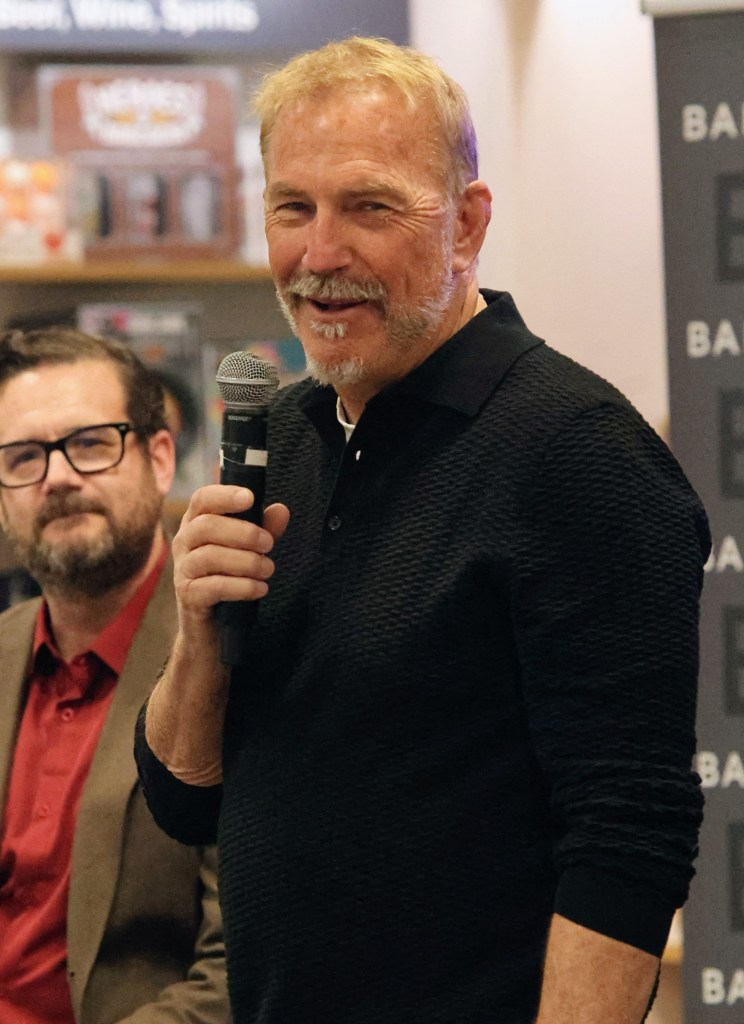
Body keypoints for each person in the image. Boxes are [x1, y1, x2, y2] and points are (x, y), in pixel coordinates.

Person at [135, 36, 710, 1024]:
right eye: (292, 208)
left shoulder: (579, 453)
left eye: (370, 206)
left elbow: (627, 839)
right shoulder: (275, 438)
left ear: (466, 224)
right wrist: (199, 642)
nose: (320, 256)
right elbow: (186, 804)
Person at [0, 327, 230, 1024]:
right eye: (23, 458)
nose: (58, 477)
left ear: (161, 459)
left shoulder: (230, 661)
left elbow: (246, 966)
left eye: (91, 444)